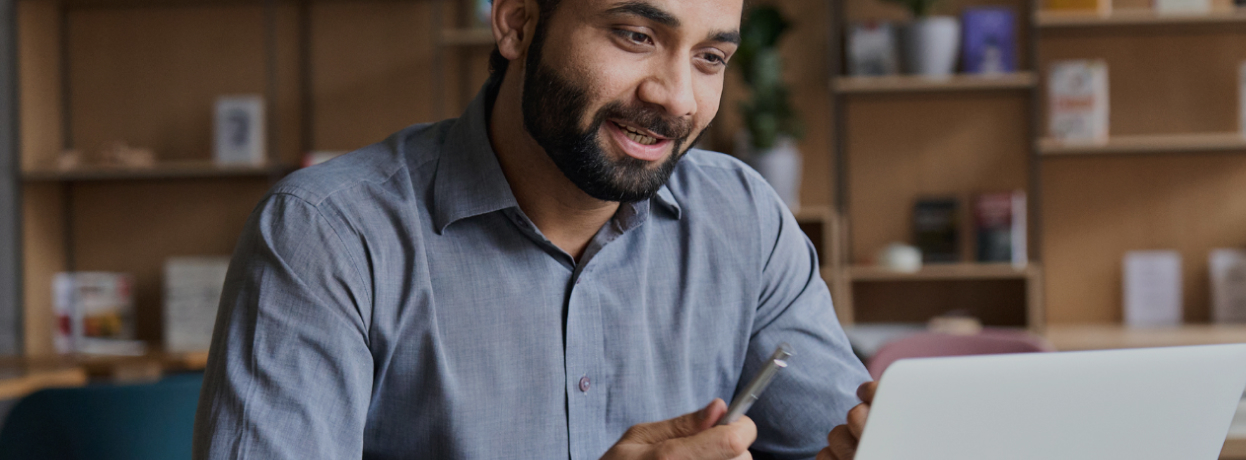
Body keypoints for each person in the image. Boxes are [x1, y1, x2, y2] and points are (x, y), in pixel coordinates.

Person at [194, 0, 878, 458]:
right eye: (636, 36)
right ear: (518, 22)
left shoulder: (743, 218)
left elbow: (849, 436)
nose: (674, 96)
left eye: (710, 59)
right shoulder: (327, 233)